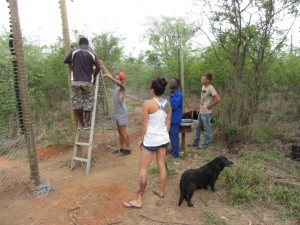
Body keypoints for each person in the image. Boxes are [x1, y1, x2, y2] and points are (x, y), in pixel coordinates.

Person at [122, 76, 171, 209]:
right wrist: (163, 134)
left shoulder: (148, 104)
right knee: (161, 165)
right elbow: (168, 122)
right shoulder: (167, 104)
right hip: (163, 139)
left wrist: (140, 139)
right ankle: (161, 191)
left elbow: (144, 125)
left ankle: (139, 200)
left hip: (150, 141)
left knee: (143, 168)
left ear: (152, 90)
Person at [64, 37, 100, 129]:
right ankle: (87, 123)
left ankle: (82, 123)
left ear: (79, 43)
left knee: (77, 102)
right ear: (87, 44)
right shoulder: (92, 52)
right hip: (88, 82)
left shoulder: (74, 50)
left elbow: (65, 61)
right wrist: (94, 76)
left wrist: (73, 61)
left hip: (76, 81)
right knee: (89, 101)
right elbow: (98, 67)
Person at [99, 60, 131, 156]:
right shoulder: (117, 86)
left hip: (122, 113)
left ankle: (128, 149)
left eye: (117, 78)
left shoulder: (122, 87)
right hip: (117, 113)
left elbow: (117, 82)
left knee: (123, 131)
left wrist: (110, 78)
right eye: (116, 78)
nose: (116, 79)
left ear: (121, 80)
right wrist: (103, 66)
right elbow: (110, 76)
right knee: (119, 131)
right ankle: (121, 148)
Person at [190, 73, 221, 149]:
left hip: (207, 113)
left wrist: (211, 106)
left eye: (203, 79)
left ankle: (205, 145)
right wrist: (200, 108)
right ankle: (195, 143)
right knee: (198, 127)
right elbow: (203, 99)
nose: (201, 80)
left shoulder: (211, 88)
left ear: (208, 80)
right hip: (201, 112)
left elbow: (218, 99)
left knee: (207, 129)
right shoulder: (203, 86)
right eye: (202, 78)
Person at [169, 78, 183, 158]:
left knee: (174, 137)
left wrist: (163, 105)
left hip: (175, 119)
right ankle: (173, 151)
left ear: (177, 84)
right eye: (171, 82)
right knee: (170, 136)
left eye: (172, 82)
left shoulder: (179, 95)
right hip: (170, 118)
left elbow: (173, 106)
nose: (171, 83)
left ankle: (176, 154)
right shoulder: (172, 93)